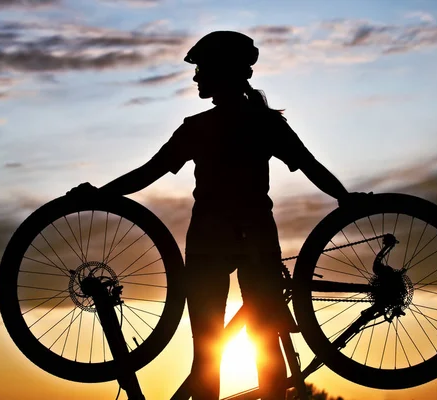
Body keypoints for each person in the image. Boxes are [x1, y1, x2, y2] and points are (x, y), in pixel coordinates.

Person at [69, 31, 352, 400]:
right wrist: (346, 198)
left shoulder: (200, 128)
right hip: (255, 237)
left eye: (202, 69)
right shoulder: (262, 123)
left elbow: (149, 172)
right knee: (265, 345)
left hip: (209, 241)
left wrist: (100, 194)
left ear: (223, 72)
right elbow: (311, 166)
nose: (196, 76)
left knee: (207, 354)